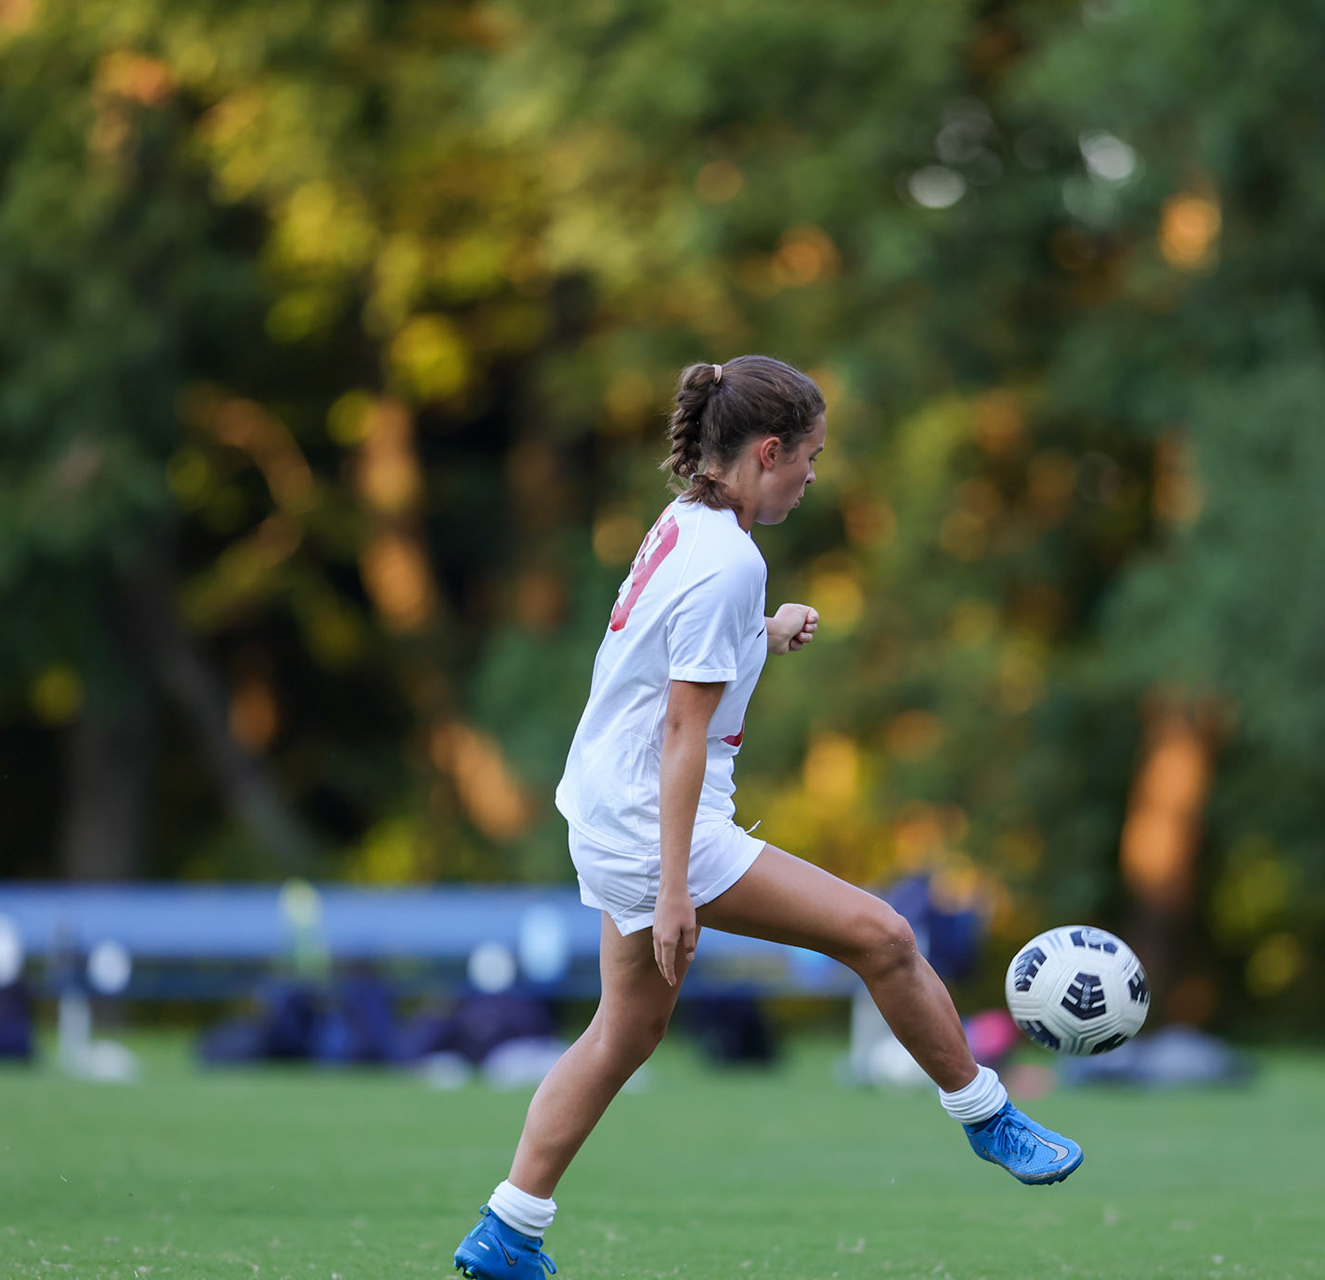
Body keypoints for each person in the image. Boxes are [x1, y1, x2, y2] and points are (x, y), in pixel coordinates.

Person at [453, 355, 1083, 1279]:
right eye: (811, 457)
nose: (815, 475)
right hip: (652, 820)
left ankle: (508, 1230)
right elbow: (680, 731)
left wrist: (763, 634)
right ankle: (986, 1114)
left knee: (622, 1034)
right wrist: (676, 889)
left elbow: (664, 656)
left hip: (605, 804)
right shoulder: (727, 564)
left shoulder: (690, 524)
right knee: (885, 938)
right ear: (769, 449)